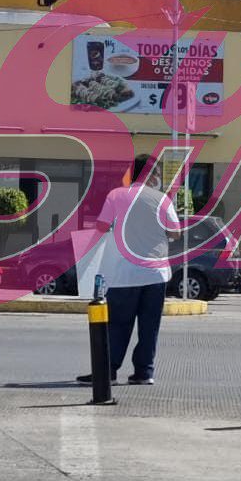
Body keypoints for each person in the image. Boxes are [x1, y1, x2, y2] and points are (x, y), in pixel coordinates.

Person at [77, 155, 178, 386]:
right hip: (155, 274)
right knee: (149, 326)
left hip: (124, 274)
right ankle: (144, 373)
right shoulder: (162, 200)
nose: (159, 179)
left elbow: (102, 227)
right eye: (158, 174)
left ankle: (108, 371)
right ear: (152, 175)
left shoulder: (117, 195)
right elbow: (175, 233)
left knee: (118, 324)